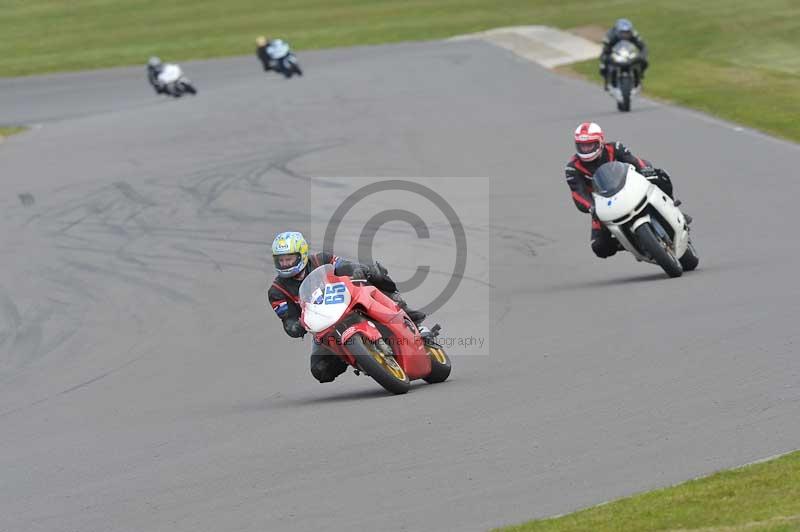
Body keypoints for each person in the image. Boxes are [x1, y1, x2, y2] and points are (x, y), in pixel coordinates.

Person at [267, 231, 426, 383]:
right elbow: (287, 319)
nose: (284, 264)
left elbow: (344, 265)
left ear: (301, 254)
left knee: (373, 273)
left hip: (347, 300)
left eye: (289, 259)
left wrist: (357, 270)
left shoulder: (320, 259)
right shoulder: (277, 291)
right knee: (321, 370)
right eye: (280, 260)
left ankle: (404, 310)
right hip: (324, 326)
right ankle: (358, 357)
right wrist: (294, 326)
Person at [564, 122, 686, 258]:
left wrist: (645, 170)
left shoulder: (615, 147)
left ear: (600, 142)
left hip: (629, 187)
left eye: (589, 145)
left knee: (661, 176)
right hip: (603, 204)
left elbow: (634, 161)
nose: (586, 149)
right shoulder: (572, 168)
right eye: (582, 146)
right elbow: (578, 193)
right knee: (599, 247)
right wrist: (592, 207)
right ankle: (628, 241)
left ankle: (672, 207)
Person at [599, 18, 649, 87]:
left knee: (644, 61)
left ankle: (640, 74)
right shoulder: (610, 35)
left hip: (628, 52)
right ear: (617, 31)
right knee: (603, 63)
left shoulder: (634, 34)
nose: (625, 35)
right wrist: (607, 54)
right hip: (615, 52)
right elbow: (605, 48)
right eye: (623, 33)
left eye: (627, 32)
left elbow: (643, 46)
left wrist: (643, 54)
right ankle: (606, 79)